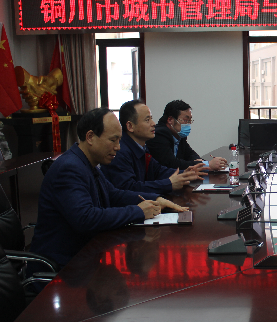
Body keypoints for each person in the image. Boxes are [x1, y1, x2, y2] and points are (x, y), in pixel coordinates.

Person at [29, 108, 188, 269]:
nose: (118, 147)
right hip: (63, 266)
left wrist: (156, 199)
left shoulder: (87, 163)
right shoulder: (69, 168)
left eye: (119, 140)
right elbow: (86, 218)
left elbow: (113, 194)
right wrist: (138, 211)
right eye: (113, 140)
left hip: (86, 256)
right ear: (90, 137)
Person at [101, 100, 202, 194]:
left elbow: (158, 170)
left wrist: (185, 173)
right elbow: (129, 188)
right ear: (130, 126)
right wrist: (169, 183)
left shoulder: (141, 147)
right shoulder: (120, 152)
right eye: (147, 120)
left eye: (151, 118)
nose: (153, 124)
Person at [146, 100, 227, 171]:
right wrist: (207, 165)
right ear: (170, 120)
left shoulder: (179, 135)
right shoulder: (159, 134)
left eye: (190, 120)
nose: (188, 124)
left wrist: (203, 162)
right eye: (185, 120)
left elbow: (190, 154)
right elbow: (172, 163)